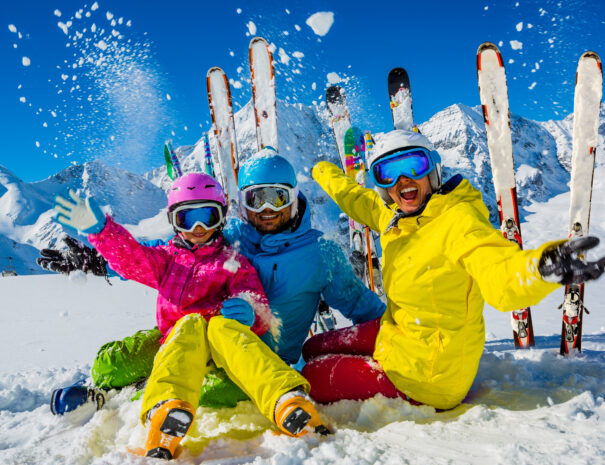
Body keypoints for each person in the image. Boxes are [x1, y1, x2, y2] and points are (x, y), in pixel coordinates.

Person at [45, 149, 385, 411]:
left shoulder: (321, 253)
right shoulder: (229, 236)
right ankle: (119, 379)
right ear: (241, 204)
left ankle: (142, 395)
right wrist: (97, 256)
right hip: (193, 339)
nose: (266, 209)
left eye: (277, 197)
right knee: (129, 358)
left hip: (259, 362)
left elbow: (361, 305)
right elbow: (160, 256)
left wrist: (394, 336)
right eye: (256, 198)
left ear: (294, 198)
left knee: (213, 391)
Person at [303, 129, 605, 410]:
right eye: (388, 173)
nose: (403, 180)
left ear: (433, 170)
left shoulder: (459, 221)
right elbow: (356, 199)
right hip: (399, 337)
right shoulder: (395, 217)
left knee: (312, 375)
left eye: (414, 165)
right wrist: (321, 170)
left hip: (429, 376)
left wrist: (538, 268)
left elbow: (499, 270)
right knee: (314, 347)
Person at [52, 173, 329, 459]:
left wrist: (250, 311)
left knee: (220, 337)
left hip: (222, 347)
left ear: (220, 217)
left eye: (207, 216)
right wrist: (102, 231)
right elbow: (133, 260)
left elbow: (256, 302)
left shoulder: (232, 262)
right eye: (188, 218)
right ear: (174, 221)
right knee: (154, 343)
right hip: (175, 341)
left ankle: (285, 400)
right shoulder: (166, 259)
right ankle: (158, 401)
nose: (198, 228)